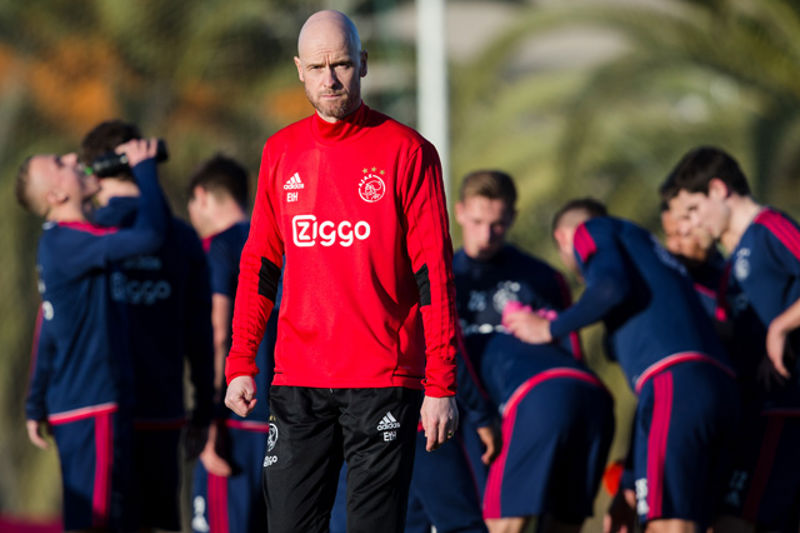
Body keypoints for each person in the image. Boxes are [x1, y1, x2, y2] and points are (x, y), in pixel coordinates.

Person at [222, 10, 459, 533]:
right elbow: (261, 264)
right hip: (298, 380)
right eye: (317, 67)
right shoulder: (281, 152)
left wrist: (441, 383)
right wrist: (241, 360)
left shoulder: (408, 152)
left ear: (364, 64)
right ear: (299, 70)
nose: (330, 79)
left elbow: (434, 275)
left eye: (342, 65)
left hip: (383, 380)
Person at [511, 198, 739, 533]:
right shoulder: (653, 256)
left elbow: (609, 288)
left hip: (676, 380)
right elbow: (652, 400)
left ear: (563, 237)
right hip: (721, 390)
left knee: (668, 523)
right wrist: (630, 481)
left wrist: (549, 328)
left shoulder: (592, 229)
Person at [19, 139, 166, 531]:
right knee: (98, 523)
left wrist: (35, 403)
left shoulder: (72, 239)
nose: (72, 158)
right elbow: (150, 236)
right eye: (59, 161)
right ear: (56, 195)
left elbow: (48, 327)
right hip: (92, 406)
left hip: (89, 406)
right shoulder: (68, 242)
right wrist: (144, 167)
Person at [78, 120, 214, 532]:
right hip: (164, 409)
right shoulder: (182, 238)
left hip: (97, 412)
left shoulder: (84, 233)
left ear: (96, 168)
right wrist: (203, 410)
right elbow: (201, 334)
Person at [661, 146, 800, 532]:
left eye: (693, 209)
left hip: (784, 408)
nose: (692, 223)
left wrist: (780, 327)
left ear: (719, 189)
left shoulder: (770, 227)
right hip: (754, 412)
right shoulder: (729, 268)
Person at [186, 155, 279, 533]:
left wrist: (208, 418)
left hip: (236, 420)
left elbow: (218, 331)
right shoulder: (279, 241)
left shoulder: (218, 247)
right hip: (287, 420)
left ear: (202, 196)